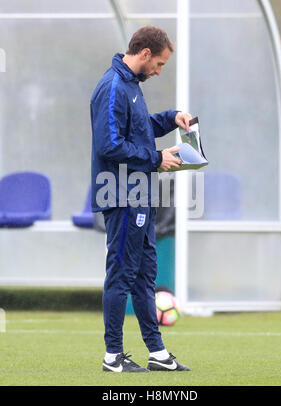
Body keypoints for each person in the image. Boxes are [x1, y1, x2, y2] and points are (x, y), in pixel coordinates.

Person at [90, 25, 191, 372]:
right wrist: (156, 159)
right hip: (120, 197)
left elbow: (138, 128)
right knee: (121, 274)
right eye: (160, 64)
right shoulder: (114, 86)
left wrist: (169, 119)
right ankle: (113, 356)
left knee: (145, 275)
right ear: (145, 54)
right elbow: (109, 145)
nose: (160, 71)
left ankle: (157, 353)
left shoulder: (130, 85)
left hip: (139, 196)